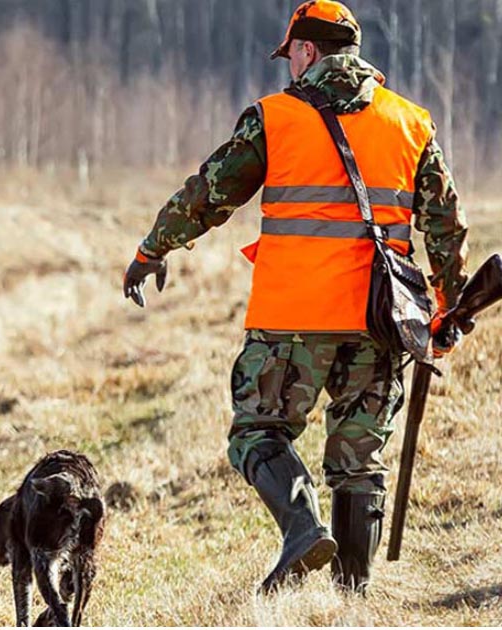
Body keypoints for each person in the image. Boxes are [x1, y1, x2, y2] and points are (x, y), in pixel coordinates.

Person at [122, 0, 468, 595]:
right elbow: (446, 227)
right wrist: (446, 309)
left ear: (307, 50)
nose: (288, 67)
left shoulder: (274, 118)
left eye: (291, 55)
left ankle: (302, 529)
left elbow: (209, 194)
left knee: (257, 431)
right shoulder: (412, 123)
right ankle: (350, 598)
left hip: (291, 321)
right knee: (359, 460)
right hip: (380, 322)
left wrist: (153, 248)